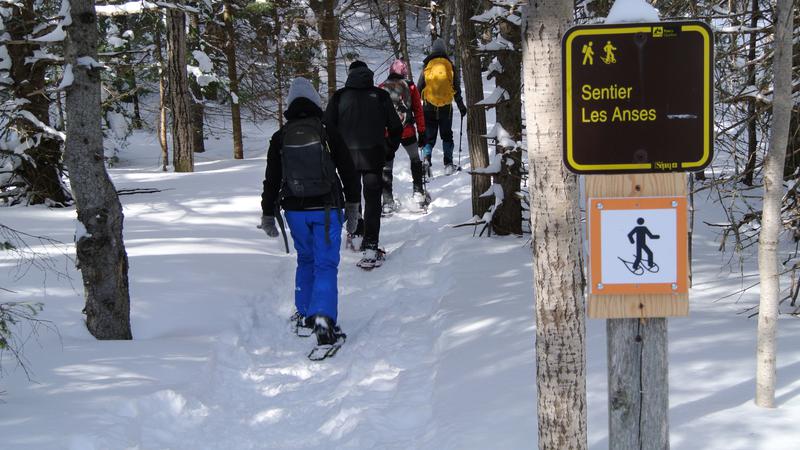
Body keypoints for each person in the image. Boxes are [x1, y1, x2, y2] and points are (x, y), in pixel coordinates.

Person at [260, 77, 361, 346]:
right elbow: (348, 170)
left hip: (295, 210)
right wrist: (353, 205)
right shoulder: (327, 130)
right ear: (316, 101)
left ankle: (305, 313)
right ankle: (324, 320)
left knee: (305, 259)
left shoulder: (281, 136)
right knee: (325, 263)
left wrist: (267, 212)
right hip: (327, 207)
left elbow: (271, 179)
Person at [325, 60, 403, 269]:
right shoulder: (380, 96)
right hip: (374, 157)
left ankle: (356, 232)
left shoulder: (339, 97)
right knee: (372, 200)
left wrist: (334, 153)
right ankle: (370, 246)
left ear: (350, 75)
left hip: (346, 158)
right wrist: (388, 149)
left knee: (352, 195)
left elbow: (327, 128)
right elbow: (396, 127)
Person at [378, 59, 428, 211]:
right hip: (407, 131)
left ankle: (387, 202)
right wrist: (422, 131)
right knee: (415, 159)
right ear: (404, 72)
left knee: (387, 166)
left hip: (388, 133)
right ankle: (418, 194)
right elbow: (418, 111)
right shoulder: (411, 86)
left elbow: (378, 113)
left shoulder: (381, 87)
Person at [417, 38, 467, 177]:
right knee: (447, 136)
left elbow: (419, 86)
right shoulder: (450, 65)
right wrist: (461, 106)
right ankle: (449, 164)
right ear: (444, 49)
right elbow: (456, 88)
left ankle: (426, 160)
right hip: (446, 108)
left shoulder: (427, 65)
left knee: (429, 136)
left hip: (428, 107)